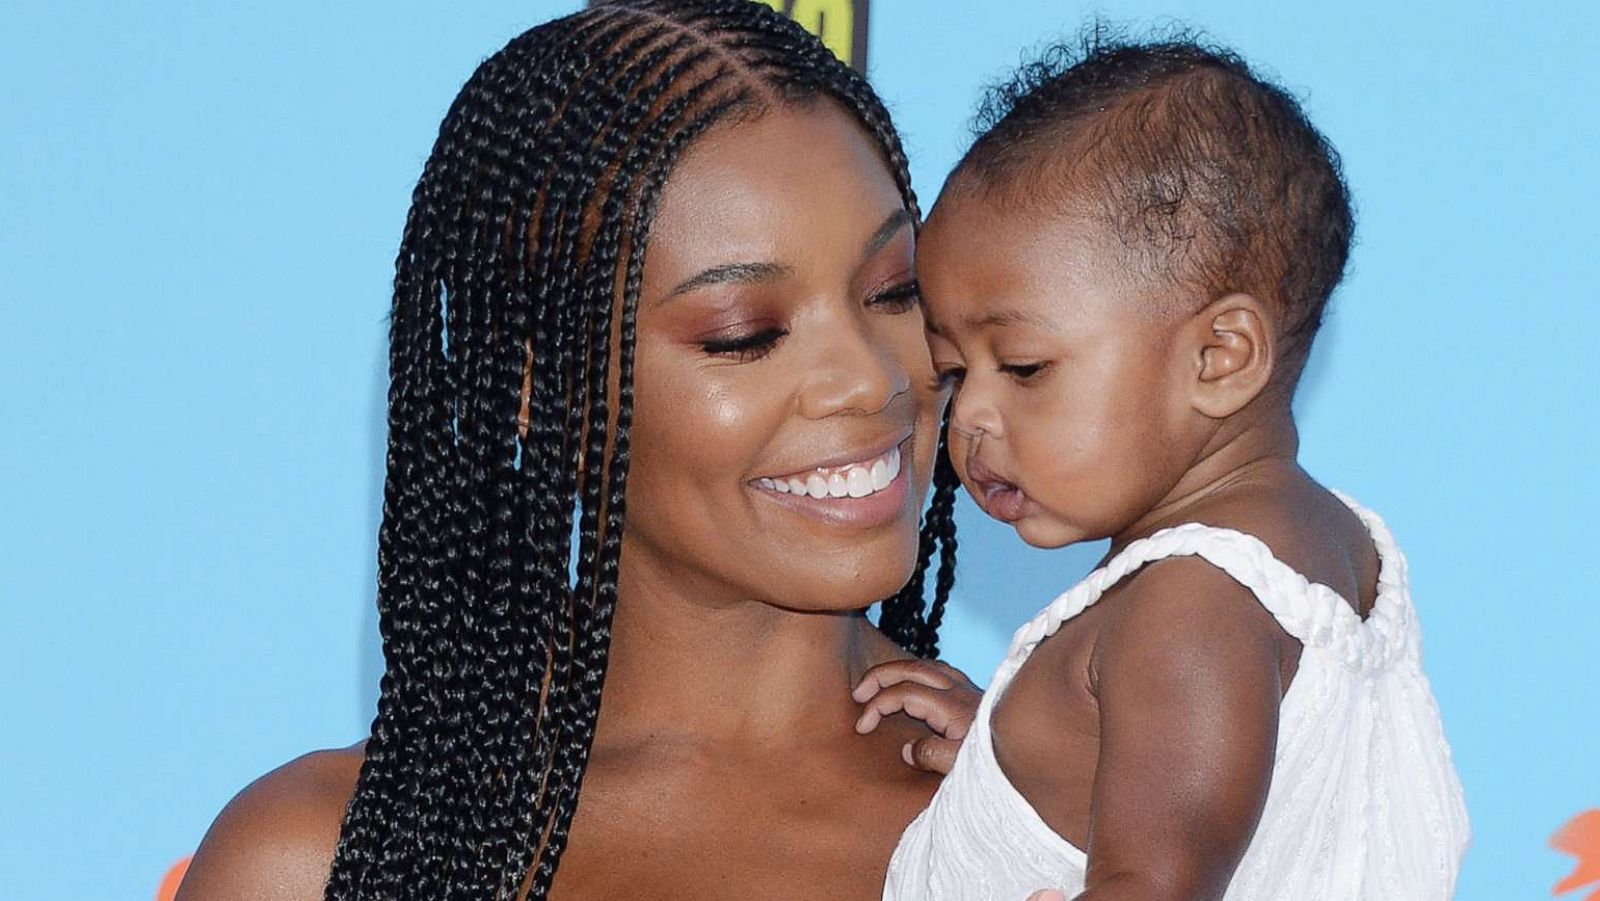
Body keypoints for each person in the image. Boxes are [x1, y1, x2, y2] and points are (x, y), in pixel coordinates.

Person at [173, 3, 967, 900]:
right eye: (744, 335)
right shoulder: (325, 860)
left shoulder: (1068, 809)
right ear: (538, 391)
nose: (869, 379)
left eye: (894, 289)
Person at [871, 33, 1470, 901]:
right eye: (954, 373)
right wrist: (1019, 769)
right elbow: (1259, 821)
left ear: (1221, 357)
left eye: (1025, 367)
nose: (969, 418)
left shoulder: (1187, 603)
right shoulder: (1335, 547)